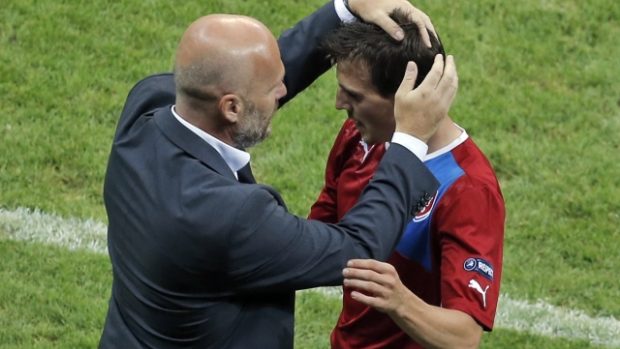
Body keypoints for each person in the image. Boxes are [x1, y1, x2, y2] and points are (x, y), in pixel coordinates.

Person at [98, 0, 459, 348]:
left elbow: (237, 82)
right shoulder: (229, 217)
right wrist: (410, 139)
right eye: (275, 89)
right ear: (232, 107)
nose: (285, 91)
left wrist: (345, 9)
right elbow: (356, 247)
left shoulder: (146, 112)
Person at [308, 10, 504, 349]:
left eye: (354, 95)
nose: (339, 104)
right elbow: (321, 232)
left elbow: (464, 336)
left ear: (406, 97)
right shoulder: (360, 137)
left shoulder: (467, 188)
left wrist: (400, 301)